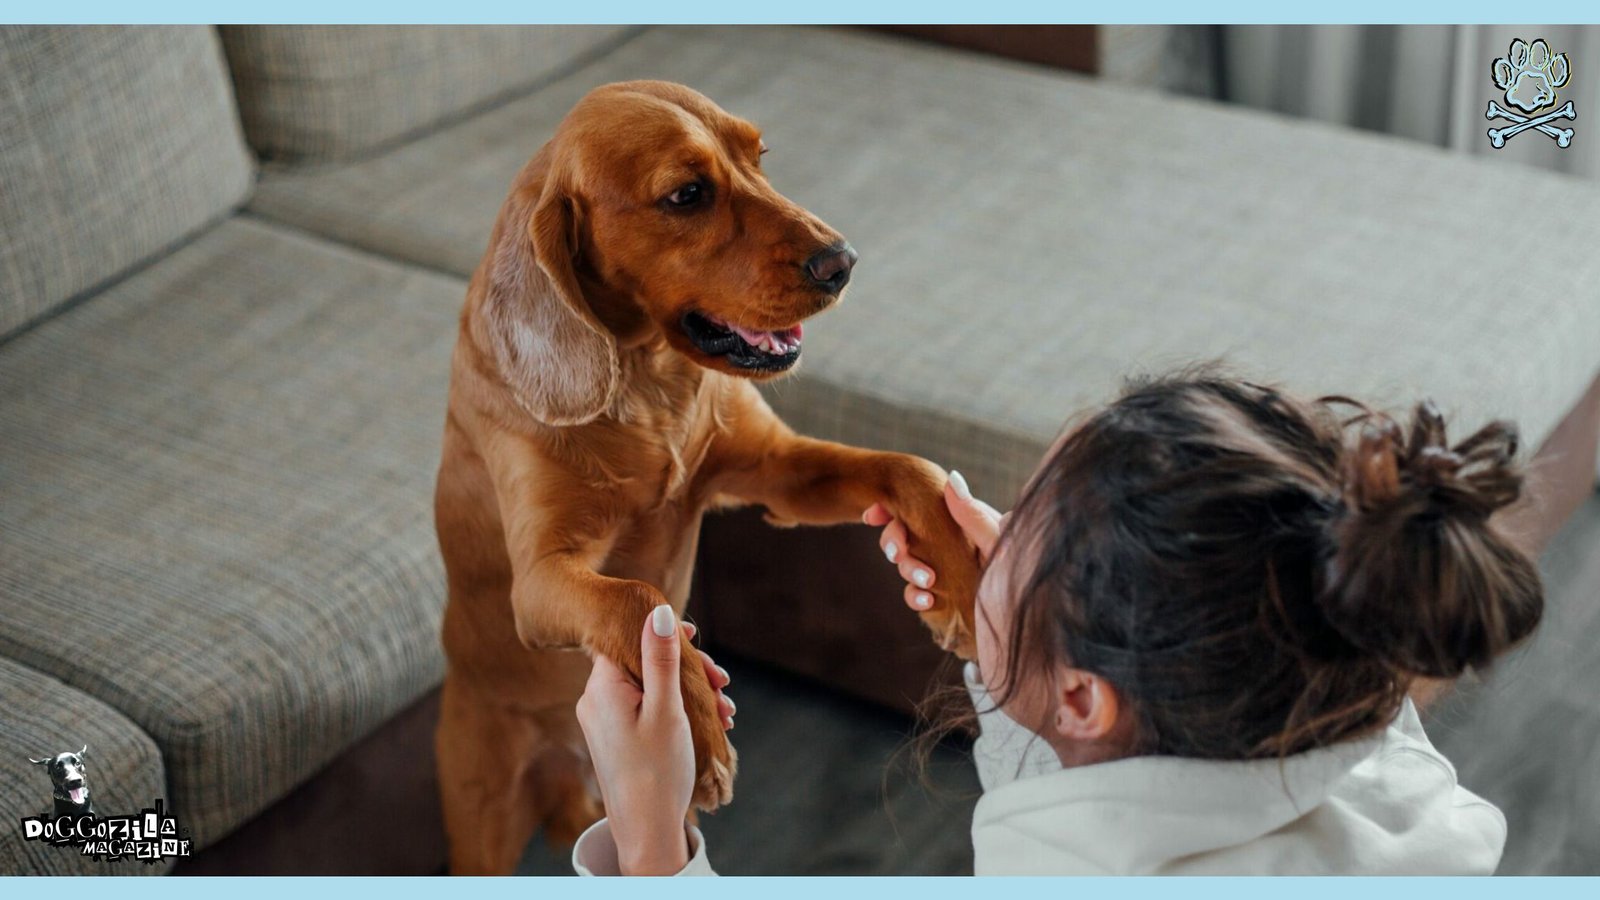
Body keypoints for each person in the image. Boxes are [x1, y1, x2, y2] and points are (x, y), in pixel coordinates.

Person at [571, 372, 1545, 875]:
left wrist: (647, 831)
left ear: (1084, 696)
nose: (992, 535)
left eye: (1022, 526)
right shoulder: (1354, 697)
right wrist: (1025, 630)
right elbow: (1117, 757)